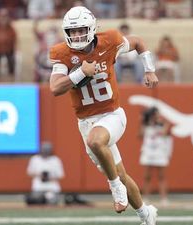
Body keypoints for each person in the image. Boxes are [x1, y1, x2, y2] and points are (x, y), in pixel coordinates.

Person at [49, 6, 158, 225]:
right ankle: (146, 215)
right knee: (122, 174)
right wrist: (80, 72)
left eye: (81, 30)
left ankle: (114, 187)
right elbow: (55, 88)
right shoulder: (62, 53)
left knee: (96, 142)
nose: (77, 35)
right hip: (86, 121)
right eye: (73, 31)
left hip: (112, 115)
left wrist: (149, 69)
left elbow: (137, 42)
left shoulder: (109, 41)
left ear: (90, 28)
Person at [139, 107, 173, 205]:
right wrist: (143, 121)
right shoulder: (146, 125)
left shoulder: (162, 124)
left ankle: (164, 198)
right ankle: (145, 197)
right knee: (147, 176)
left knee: (161, 176)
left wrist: (160, 120)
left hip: (160, 152)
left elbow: (165, 131)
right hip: (148, 152)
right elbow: (140, 135)